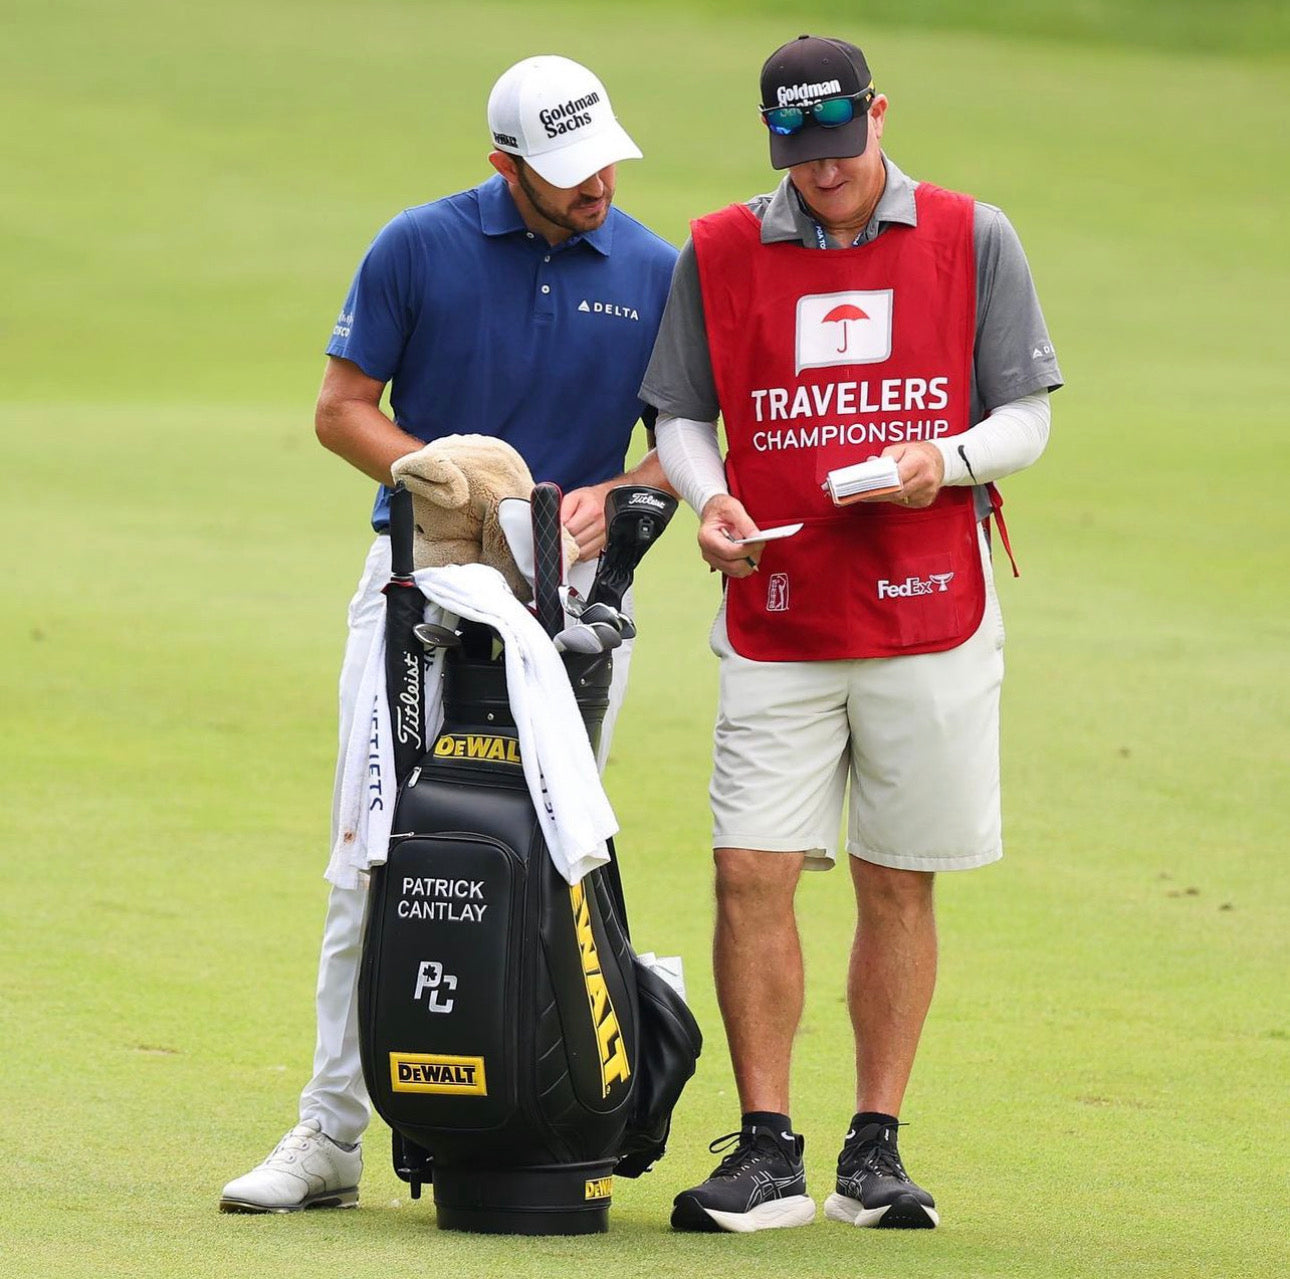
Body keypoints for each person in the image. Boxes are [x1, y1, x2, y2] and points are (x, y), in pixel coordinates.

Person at [219, 53, 677, 1214]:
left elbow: (687, 442)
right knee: (371, 850)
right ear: (503, 165)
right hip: (418, 587)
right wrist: (428, 472)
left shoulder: (656, 269)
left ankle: (525, 1111)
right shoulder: (417, 246)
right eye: (568, 173)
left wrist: (618, 491)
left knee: (557, 854)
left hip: (570, 602)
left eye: (604, 165)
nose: (595, 190)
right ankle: (330, 1130)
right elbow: (341, 408)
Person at [642, 33, 1062, 1233]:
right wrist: (707, 496)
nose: (823, 174)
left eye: (840, 146)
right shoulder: (721, 245)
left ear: (879, 114)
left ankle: (873, 1149)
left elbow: (1025, 415)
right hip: (776, 606)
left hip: (929, 610)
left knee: (896, 878)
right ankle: (768, 1146)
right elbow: (681, 413)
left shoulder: (973, 235)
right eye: (799, 154)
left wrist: (948, 459)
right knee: (748, 870)